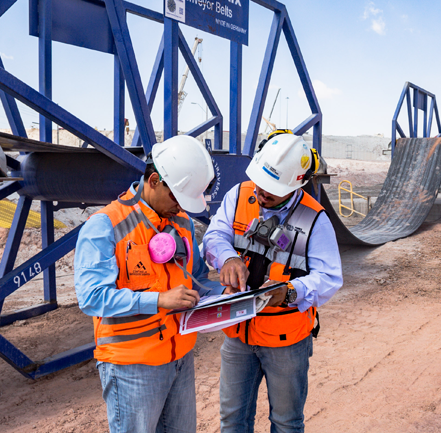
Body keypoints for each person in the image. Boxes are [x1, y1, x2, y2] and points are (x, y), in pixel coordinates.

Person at [75, 135, 241, 433]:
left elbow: (197, 281)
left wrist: (226, 296)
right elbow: (92, 298)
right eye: (177, 198)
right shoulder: (104, 226)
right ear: (154, 180)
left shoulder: (182, 224)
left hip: (179, 358)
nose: (180, 208)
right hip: (131, 366)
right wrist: (159, 300)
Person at [202, 130, 343, 433]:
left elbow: (329, 277)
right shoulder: (239, 195)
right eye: (261, 184)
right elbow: (214, 236)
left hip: (286, 341)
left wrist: (289, 292)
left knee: (286, 423)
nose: (262, 193)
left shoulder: (314, 220)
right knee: (232, 421)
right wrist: (227, 257)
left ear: (297, 184)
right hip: (238, 334)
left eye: (272, 189)